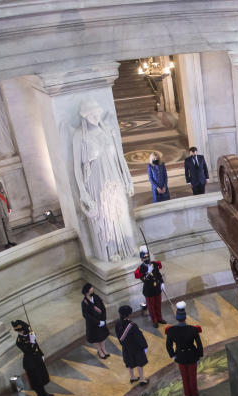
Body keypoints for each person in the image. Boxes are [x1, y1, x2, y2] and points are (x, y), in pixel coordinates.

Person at [71, 99, 136, 261]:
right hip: (96, 181)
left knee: (120, 211)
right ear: (85, 116)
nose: (95, 116)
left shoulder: (107, 130)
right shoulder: (79, 135)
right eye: (91, 114)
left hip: (114, 177)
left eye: (97, 113)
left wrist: (128, 179)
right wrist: (83, 193)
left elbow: (120, 157)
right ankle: (111, 250)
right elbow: (76, 168)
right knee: (106, 215)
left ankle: (126, 245)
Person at [165, 301, 203, 396]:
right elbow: (199, 344)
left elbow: (168, 345)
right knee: (192, 376)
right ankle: (194, 394)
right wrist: (199, 355)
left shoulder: (171, 330)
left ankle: (187, 393)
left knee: (184, 377)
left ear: (177, 318)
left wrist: (173, 356)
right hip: (192, 356)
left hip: (180, 357)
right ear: (185, 317)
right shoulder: (193, 329)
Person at [11, 320, 53, 396]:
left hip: (37, 359)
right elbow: (28, 351)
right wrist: (32, 341)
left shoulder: (29, 334)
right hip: (30, 363)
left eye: (22, 329)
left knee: (41, 376)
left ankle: (44, 392)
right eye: (19, 330)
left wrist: (41, 354)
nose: (21, 332)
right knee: (36, 380)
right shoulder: (19, 341)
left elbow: (37, 346)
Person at [114, 306, 148, 385]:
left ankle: (132, 377)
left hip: (126, 348)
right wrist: (144, 346)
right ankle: (142, 379)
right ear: (129, 314)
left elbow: (120, 338)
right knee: (139, 363)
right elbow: (139, 337)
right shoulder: (132, 325)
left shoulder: (117, 324)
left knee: (130, 362)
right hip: (136, 348)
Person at [134, 247, 164, 325]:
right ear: (141, 259)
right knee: (151, 307)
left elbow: (158, 275)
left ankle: (159, 318)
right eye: (145, 257)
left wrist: (162, 283)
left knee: (158, 305)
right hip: (149, 291)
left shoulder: (154, 264)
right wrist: (148, 272)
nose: (147, 258)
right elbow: (144, 279)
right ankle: (154, 321)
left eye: (148, 257)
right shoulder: (141, 269)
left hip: (157, 288)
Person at [81, 283, 110, 359]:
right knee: (96, 338)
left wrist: (103, 319)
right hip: (92, 324)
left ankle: (103, 349)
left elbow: (103, 308)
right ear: (87, 291)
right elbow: (86, 315)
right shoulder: (84, 303)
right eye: (91, 288)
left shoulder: (96, 297)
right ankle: (100, 351)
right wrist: (98, 322)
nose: (92, 288)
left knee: (102, 336)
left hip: (101, 321)